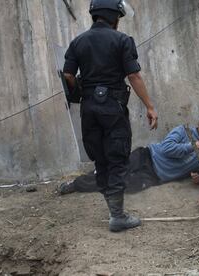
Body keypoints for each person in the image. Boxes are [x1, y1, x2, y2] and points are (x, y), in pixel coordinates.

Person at [63, 0, 158, 232]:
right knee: (117, 157)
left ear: (95, 15)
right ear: (114, 16)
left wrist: (80, 91)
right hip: (112, 108)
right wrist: (150, 106)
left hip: (89, 108)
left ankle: (113, 210)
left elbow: (67, 74)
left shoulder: (78, 41)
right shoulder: (122, 40)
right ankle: (117, 216)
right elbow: (134, 76)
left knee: (101, 158)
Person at [58, 114, 199, 195]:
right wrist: (192, 146)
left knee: (121, 186)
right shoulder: (183, 130)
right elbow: (166, 148)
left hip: (156, 176)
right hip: (147, 156)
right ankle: (76, 184)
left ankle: (91, 179)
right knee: (114, 172)